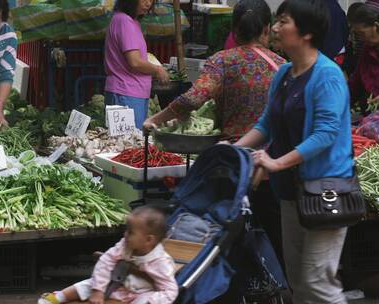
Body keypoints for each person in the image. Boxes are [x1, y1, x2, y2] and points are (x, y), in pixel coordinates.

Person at [233, 0, 352, 302]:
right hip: (290, 192)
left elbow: (325, 134)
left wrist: (276, 162)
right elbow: (266, 125)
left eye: (283, 21)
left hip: (325, 192)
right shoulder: (284, 73)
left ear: (307, 32)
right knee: (298, 281)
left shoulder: (327, 75)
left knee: (317, 282)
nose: (274, 28)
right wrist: (233, 149)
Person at [144, 0, 285, 140]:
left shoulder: (222, 61)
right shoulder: (282, 65)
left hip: (233, 151)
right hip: (274, 155)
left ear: (234, 30)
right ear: (267, 29)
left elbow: (193, 99)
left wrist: (155, 119)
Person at [39, 206, 178, 304]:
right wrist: (98, 290)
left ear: (149, 240)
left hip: (141, 292)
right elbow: (105, 261)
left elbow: (170, 291)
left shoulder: (161, 262)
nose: (125, 235)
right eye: (126, 230)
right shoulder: (125, 245)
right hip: (117, 283)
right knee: (89, 284)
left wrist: (153, 301)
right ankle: (59, 297)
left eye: (130, 232)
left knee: (145, 300)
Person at [104, 0, 169, 129]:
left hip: (130, 93)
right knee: (129, 143)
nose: (148, 4)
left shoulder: (129, 21)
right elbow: (134, 61)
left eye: (151, 0)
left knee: (130, 143)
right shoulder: (124, 22)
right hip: (126, 93)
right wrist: (157, 70)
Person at [348, 0, 379, 112]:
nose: (360, 38)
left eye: (361, 33)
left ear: (375, 26)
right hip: (376, 118)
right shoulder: (367, 49)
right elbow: (355, 83)